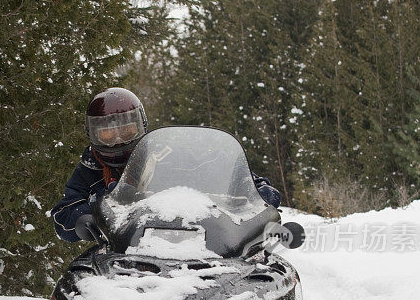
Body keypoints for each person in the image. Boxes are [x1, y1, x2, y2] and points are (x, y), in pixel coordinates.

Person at [50, 87, 281, 242]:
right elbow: (63, 212)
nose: (118, 139)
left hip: (192, 242)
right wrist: (85, 217)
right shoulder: (89, 169)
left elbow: (218, 164)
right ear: (93, 134)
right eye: (107, 134)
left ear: (142, 125)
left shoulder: (167, 153)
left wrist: (254, 191)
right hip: (122, 250)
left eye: (127, 130)